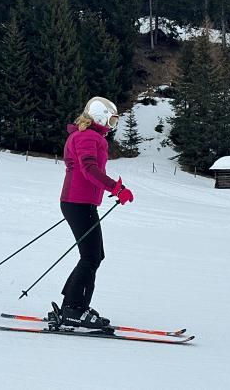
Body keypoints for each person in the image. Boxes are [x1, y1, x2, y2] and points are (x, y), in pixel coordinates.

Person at [58, 96, 134, 329]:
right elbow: (89, 168)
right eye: (111, 121)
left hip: (80, 202)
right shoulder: (87, 136)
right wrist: (116, 188)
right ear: (99, 117)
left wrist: (112, 189)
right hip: (78, 202)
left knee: (94, 255)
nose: (113, 126)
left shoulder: (90, 136)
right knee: (91, 256)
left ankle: (73, 306)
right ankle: (74, 310)